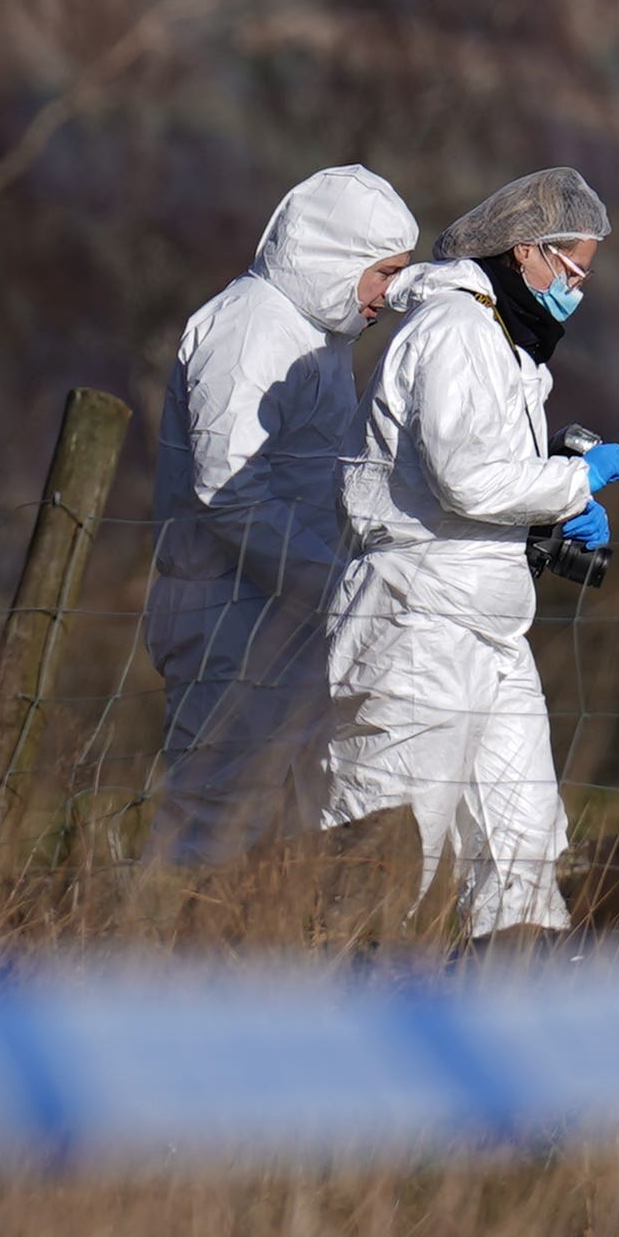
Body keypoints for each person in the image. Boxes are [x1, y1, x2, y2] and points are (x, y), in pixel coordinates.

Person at [321, 164, 619, 939]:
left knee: (521, 839)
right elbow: (465, 477)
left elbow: (474, 483)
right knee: (391, 839)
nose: (577, 288)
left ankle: (515, 1004)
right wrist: (571, 483)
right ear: (527, 250)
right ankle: (332, 1019)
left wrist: (554, 512)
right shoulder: (455, 331)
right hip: (416, 623)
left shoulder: (504, 346)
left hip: (486, 625)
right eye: (574, 268)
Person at [143, 164, 420, 860]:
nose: (389, 294)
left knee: (280, 833)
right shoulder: (250, 327)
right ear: (336, 258)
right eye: (382, 272)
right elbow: (227, 494)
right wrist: (340, 585)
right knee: (210, 825)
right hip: (228, 623)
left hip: (284, 620)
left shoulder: (316, 336)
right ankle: (156, 959)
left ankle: (246, 959)